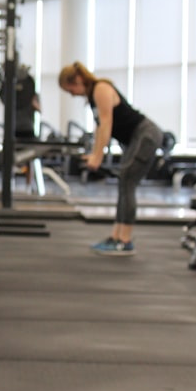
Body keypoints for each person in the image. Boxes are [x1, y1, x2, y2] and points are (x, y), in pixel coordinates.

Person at [59, 61, 164, 256]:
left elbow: (107, 123)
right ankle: (116, 236)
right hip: (135, 138)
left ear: (78, 79)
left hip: (145, 135)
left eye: (70, 89)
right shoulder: (92, 97)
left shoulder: (101, 88)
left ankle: (124, 240)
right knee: (124, 181)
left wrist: (98, 157)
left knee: (127, 181)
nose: (72, 94)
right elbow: (100, 128)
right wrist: (95, 153)